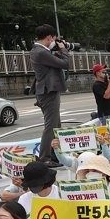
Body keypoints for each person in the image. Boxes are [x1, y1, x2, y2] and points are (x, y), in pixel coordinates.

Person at [30, 25, 69, 166]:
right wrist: (63, 50)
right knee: (51, 126)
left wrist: (57, 51)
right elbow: (64, 64)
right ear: (49, 37)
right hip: (48, 92)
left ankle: (54, 154)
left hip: (46, 91)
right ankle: (45, 158)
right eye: (53, 38)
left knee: (56, 125)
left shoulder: (39, 50)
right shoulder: (41, 52)